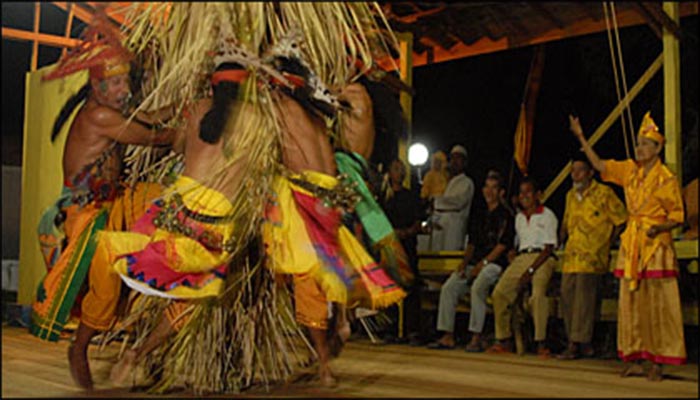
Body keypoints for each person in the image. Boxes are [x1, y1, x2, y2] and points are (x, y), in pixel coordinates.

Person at [29, 14, 175, 390]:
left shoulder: (114, 110)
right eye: (116, 82)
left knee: (165, 205)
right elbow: (153, 137)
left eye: (125, 80)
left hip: (116, 201)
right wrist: (191, 130)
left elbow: (152, 119)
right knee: (106, 284)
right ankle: (79, 347)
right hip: (88, 212)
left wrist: (187, 109)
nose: (124, 87)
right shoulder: (98, 115)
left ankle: (143, 310)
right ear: (97, 88)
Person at [104, 62, 253, 386]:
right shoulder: (257, 119)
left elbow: (177, 147)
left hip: (177, 202)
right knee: (193, 296)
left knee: (154, 275)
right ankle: (139, 353)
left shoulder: (197, 108)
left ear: (212, 86)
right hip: (213, 218)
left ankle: (137, 345)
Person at [569, 112, 686, 381]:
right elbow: (599, 165)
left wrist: (659, 228)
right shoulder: (630, 170)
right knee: (630, 303)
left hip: (656, 246)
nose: (639, 148)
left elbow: (676, 216)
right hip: (633, 242)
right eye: (638, 143)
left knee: (658, 304)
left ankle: (658, 360)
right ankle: (636, 357)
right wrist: (581, 137)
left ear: (658, 148)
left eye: (646, 143)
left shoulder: (665, 178)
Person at [427, 170, 514, 351]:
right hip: (475, 262)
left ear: (501, 192)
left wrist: (483, 264)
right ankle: (447, 335)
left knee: (478, 286)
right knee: (450, 286)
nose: (489, 191)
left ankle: (476, 335)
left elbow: (502, 245)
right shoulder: (479, 214)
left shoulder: (506, 215)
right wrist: (464, 264)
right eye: (487, 187)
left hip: (495, 264)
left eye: (494, 188)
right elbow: (472, 243)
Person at [557, 151, 627, 360]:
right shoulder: (570, 196)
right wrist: (560, 240)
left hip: (592, 255)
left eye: (579, 171)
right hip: (571, 256)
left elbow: (621, 219)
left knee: (584, 301)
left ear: (590, 173)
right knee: (567, 297)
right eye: (573, 171)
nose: (575, 175)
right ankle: (581, 343)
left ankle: (574, 344)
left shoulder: (604, 193)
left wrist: (608, 241)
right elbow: (565, 222)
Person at [486, 176, 558, 357]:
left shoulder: (547, 215)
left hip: (542, 257)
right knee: (500, 293)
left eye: (528, 192)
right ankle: (504, 339)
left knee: (538, 295)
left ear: (537, 195)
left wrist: (531, 271)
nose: (524, 196)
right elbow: (517, 243)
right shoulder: (518, 218)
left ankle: (541, 342)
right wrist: (513, 255)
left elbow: (549, 248)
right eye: (521, 192)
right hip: (523, 256)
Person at [381, 159, 424, 344]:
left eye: (402, 169)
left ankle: (411, 329)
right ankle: (391, 328)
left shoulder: (410, 196)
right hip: (389, 247)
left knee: (410, 286)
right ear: (389, 172)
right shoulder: (384, 197)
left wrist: (405, 232)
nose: (399, 172)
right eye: (396, 169)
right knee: (390, 286)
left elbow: (418, 221)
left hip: (407, 246)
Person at [429, 145, 475, 251]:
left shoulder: (466, 182)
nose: (455, 162)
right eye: (453, 158)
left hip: (453, 233)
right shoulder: (447, 182)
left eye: (458, 158)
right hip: (439, 231)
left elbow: (458, 203)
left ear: (464, 163)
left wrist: (435, 201)